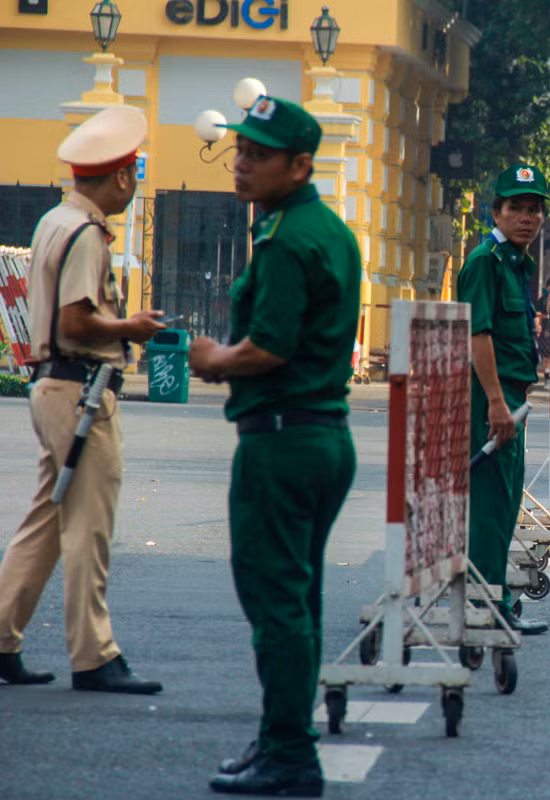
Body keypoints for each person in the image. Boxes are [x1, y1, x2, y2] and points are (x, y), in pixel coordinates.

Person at [185, 97, 359, 797]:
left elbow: (269, 348)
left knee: (276, 601)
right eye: (240, 149)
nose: (242, 162)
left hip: (284, 439)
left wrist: (212, 357)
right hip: (319, 436)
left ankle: (289, 753)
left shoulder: (288, 239)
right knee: (298, 597)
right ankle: (284, 737)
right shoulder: (323, 227)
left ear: (300, 164)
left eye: (259, 154)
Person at [0, 106, 166, 693]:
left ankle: (1, 639)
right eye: (135, 172)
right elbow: (77, 319)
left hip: (54, 384)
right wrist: (131, 327)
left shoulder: (54, 219)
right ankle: (94, 656)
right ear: (118, 176)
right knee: (87, 527)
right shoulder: (86, 233)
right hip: (81, 391)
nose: (136, 183)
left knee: (45, 518)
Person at [453, 163, 550, 637]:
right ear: (497, 211)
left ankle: (495, 600)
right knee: (491, 504)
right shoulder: (485, 261)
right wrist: (495, 402)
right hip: (489, 396)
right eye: (516, 208)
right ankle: (488, 603)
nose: (527, 217)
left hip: (511, 395)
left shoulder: (516, 262)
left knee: (506, 500)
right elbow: (479, 335)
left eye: (534, 209)